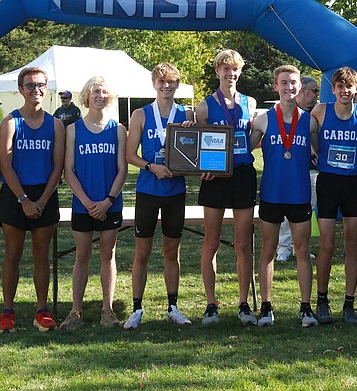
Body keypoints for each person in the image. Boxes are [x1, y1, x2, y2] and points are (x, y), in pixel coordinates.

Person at [123, 62, 194, 330]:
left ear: (178, 84)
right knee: (142, 252)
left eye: (171, 82)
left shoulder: (186, 113)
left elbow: (194, 154)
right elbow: (130, 156)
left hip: (175, 191)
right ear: (154, 83)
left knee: (171, 252)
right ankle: (137, 308)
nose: (166, 86)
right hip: (148, 191)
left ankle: (172, 307)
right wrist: (152, 167)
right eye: (161, 82)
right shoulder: (140, 114)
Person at [0, 67, 65, 333]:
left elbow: (57, 166)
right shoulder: (11, 122)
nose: (35, 89)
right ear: (21, 89)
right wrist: (24, 199)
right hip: (16, 193)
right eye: (30, 85)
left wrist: (43, 199)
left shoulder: (55, 124)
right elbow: (5, 165)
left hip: (45, 194)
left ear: (46, 88)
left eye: (40, 85)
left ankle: (41, 310)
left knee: (41, 255)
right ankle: (7, 310)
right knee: (12, 254)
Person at [250, 65, 319, 327]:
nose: (289, 87)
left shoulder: (310, 121)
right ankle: (266, 307)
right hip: (272, 194)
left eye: (293, 83)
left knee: (302, 250)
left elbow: (322, 152)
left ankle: (305, 307)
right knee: (268, 249)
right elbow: (241, 149)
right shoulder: (263, 120)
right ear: (276, 86)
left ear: (300, 86)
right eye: (284, 83)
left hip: (299, 194)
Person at [196, 49, 259, 326]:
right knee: (211, 242)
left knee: (243, 243)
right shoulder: (205, 106)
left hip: (243, 174)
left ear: (240, 72)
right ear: (217, 72)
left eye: (234, 69)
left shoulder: (251, 102)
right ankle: (211, 304)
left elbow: (253, 136)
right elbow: (198, 145)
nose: (230, 74)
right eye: (225, 69)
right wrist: (204, 167)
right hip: (216, 179)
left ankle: (244, 304)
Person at [59, 76, 127, 330]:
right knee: (82, 255)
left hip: (110, 204)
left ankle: (107, 311)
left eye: (104, 92)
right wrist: (87, 202)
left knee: (108, 254)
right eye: (95, 91)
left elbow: (122, 169)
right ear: (86, 96)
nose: (100, 95)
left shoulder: (118, 129)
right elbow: (68, 170)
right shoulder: (73, 129)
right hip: (83, 205)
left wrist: (108, 201)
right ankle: (76, 311)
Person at [309, 66, 357, 326]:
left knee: (352, 246)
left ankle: (349, 302)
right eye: (341, 87)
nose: (346, 91)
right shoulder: (321, 111)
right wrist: (316, 153)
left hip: (355, 184)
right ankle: (321, 300)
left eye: (350, 87)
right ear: (333, 89)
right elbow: (309, 134)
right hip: (329, 183)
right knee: (326, 245)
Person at [276, 75, 319, 263]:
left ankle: (299, 246)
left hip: (309, 171)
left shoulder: (314, 115)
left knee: (306, 211)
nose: (317, 96)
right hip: (285, 170)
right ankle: (283, 248)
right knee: (284, 212)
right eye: (315, 91)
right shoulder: (282, 112)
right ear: (304, 91)